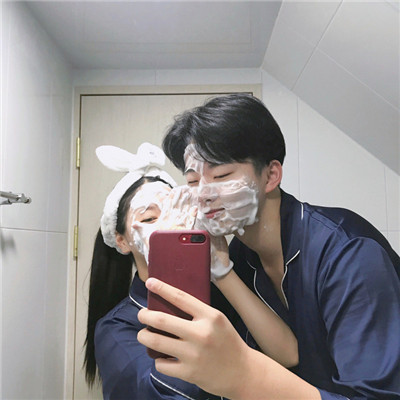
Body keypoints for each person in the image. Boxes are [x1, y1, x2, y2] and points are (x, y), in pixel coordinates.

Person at [136, 93, 400, 399]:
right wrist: (220, 271)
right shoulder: (238, 255)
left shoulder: (349, 254)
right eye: (193, 181)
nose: (204, 194)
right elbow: (288, 354)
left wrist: (244, 376)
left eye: (221, 175)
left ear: (271, 175)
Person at [83, 142, 299, 400]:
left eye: (176, 211)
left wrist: (223, 272)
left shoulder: (220, 294)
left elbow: (288, 355)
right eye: (150, 218)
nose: (168, 225)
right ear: (122, 241)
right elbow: (160, 391)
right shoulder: (116, 328)